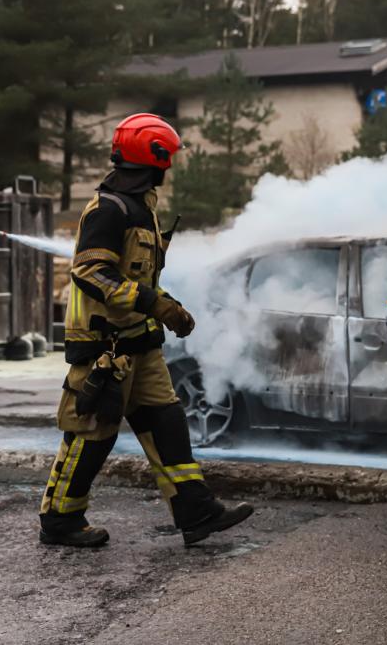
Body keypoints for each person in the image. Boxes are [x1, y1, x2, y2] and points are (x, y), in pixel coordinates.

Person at [38, 113, 253, 548]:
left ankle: (195, 511)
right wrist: (153, 303)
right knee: (92, 433)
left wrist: (167, 305)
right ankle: (60, 518)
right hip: (103, 345)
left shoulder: (142, 208)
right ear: (152, 158)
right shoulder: (109, 209)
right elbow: (89, 272)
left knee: (168, 422)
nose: (168, 167)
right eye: (166, 159)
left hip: (140, 342)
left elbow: (140, 278)